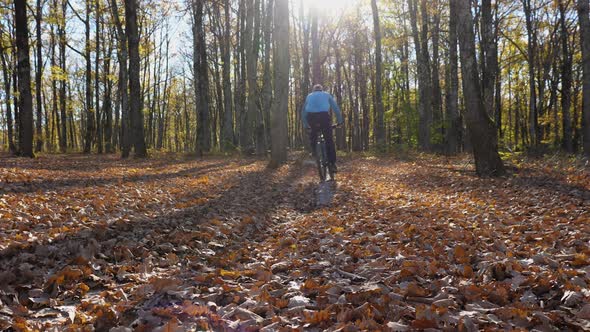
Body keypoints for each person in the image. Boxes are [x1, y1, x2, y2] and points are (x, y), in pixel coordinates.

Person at [302, 84, 344, 172]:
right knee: (329, 140)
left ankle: (314, 153)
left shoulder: (309, 96)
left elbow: (303, 112)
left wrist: (306, 125)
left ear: (313, 90)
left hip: (311, 118)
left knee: (313, 133)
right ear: (321, 90)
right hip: (324, 117)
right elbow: (335, 108)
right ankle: (332, 164)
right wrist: (340, 121)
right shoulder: (326, 94)